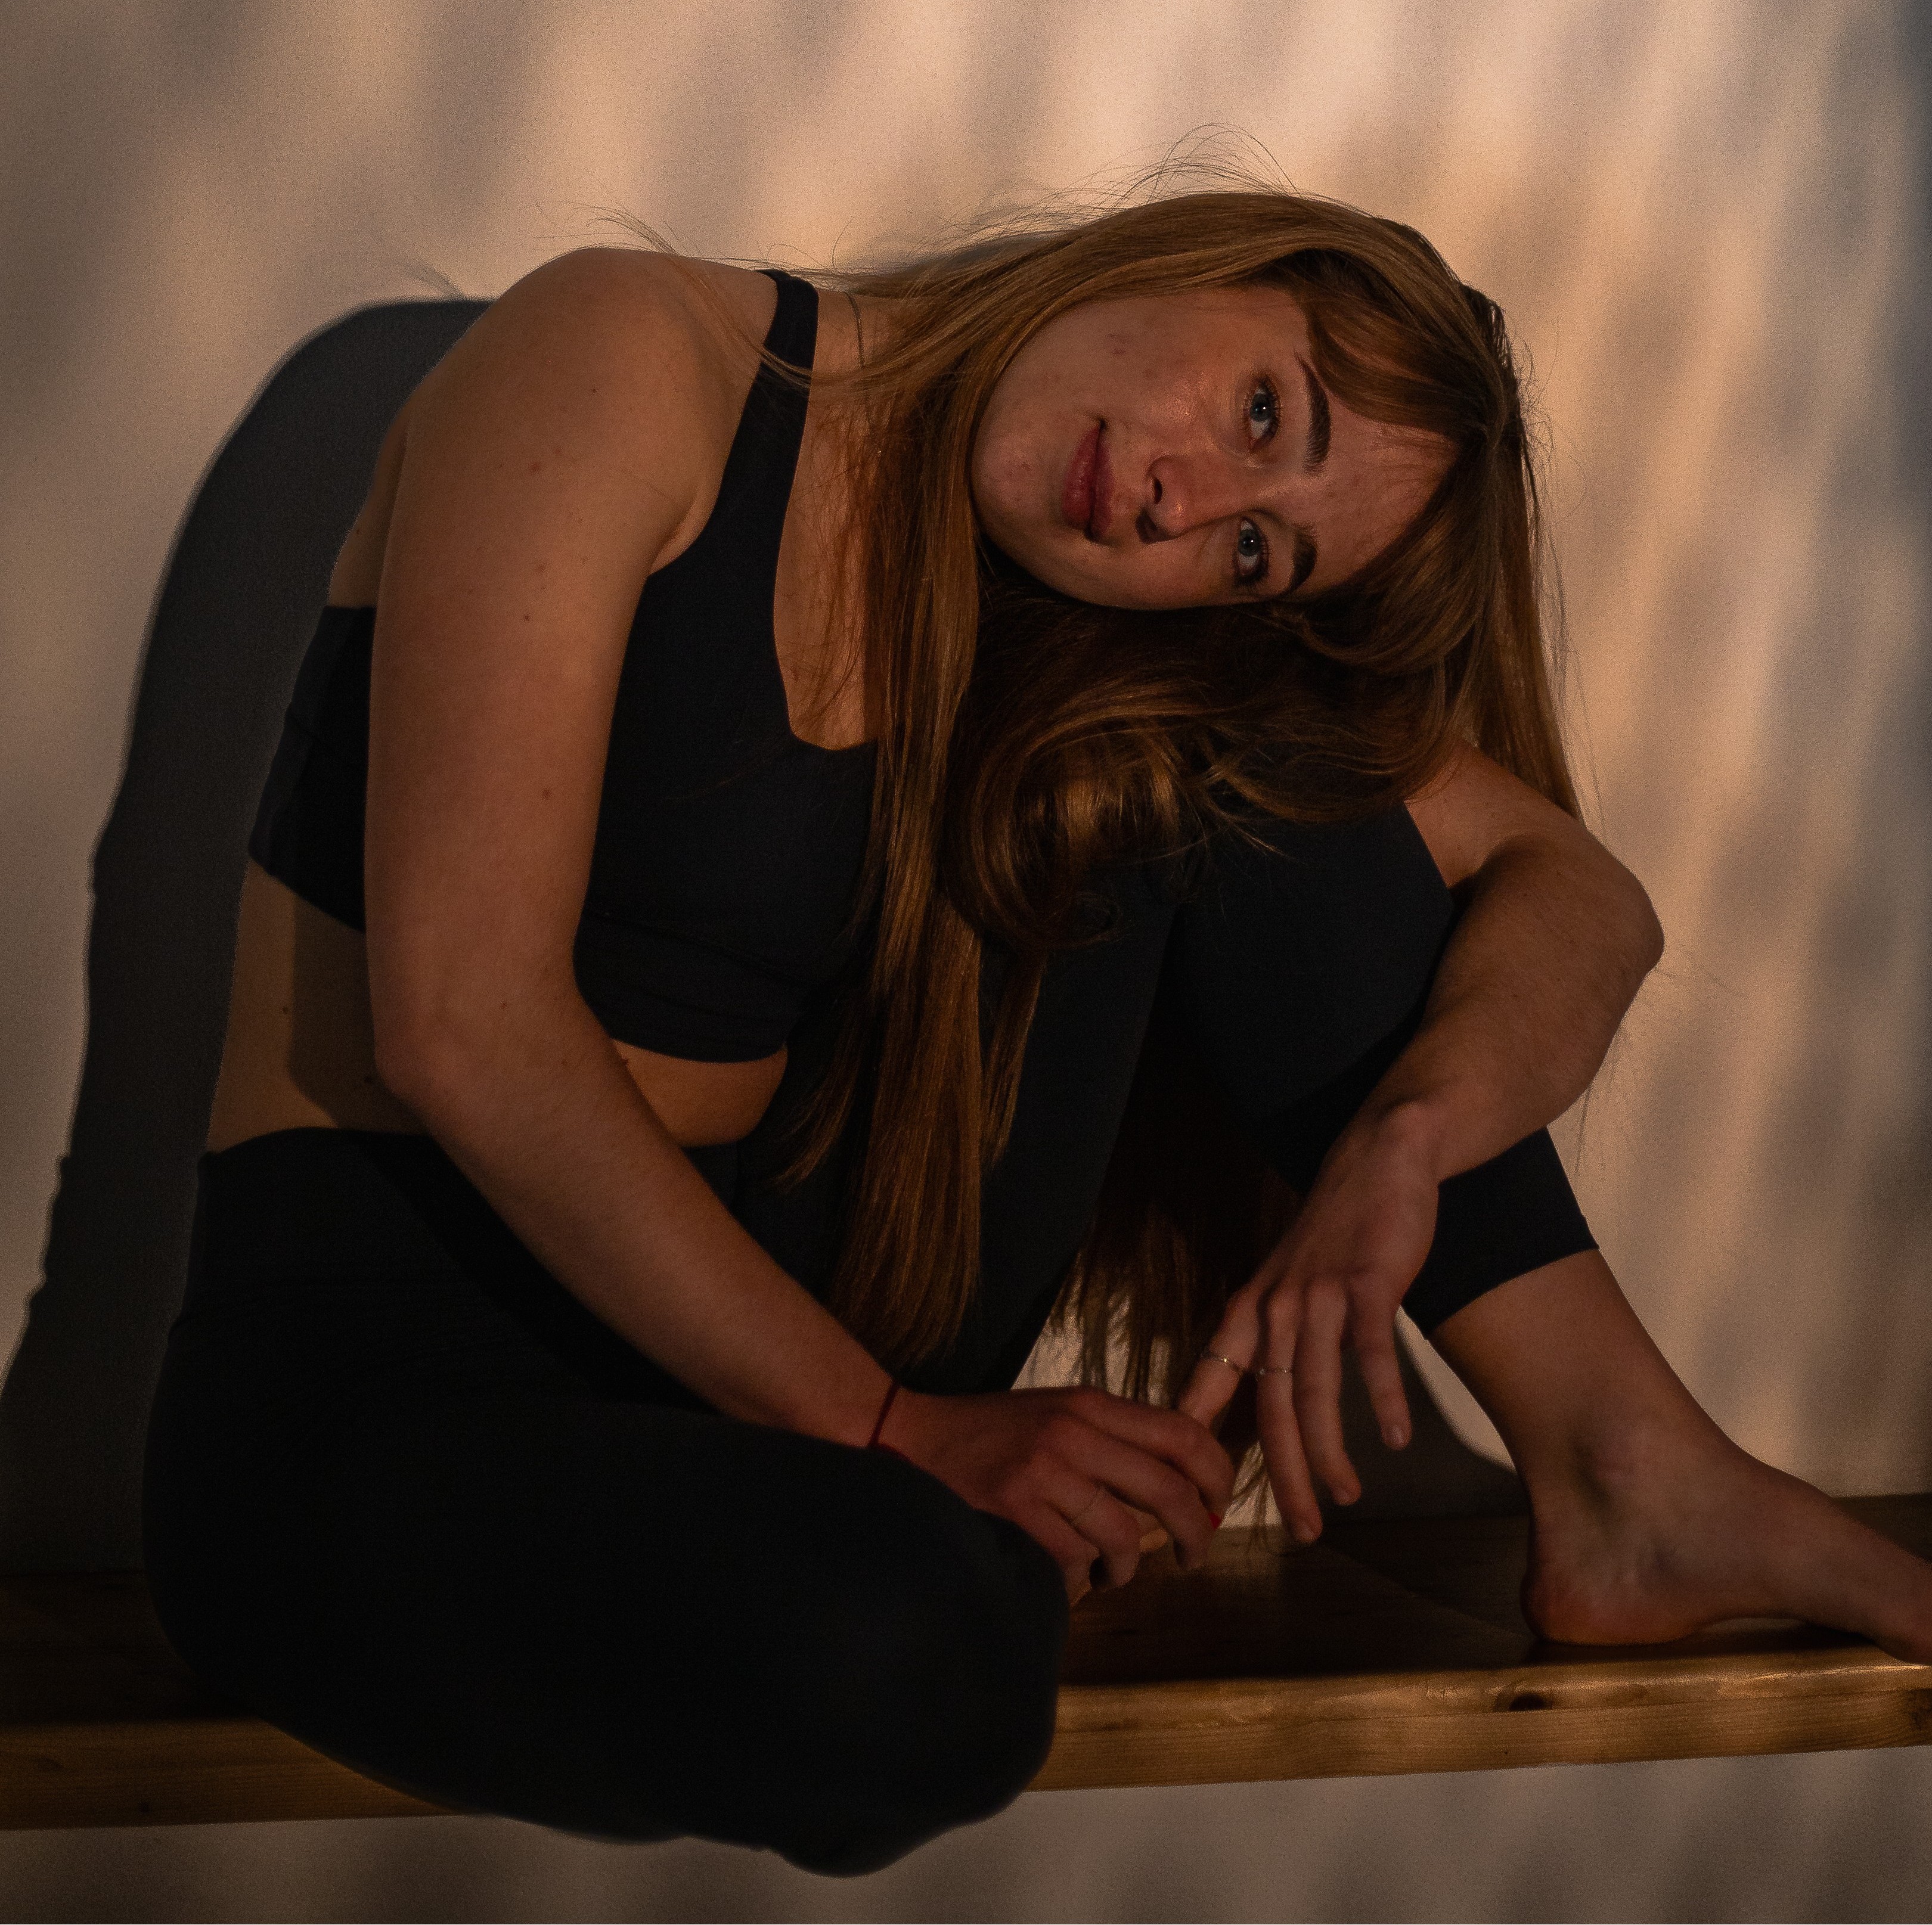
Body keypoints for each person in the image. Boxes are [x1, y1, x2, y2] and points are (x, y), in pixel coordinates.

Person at [142, 187, 1932, 1875]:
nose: (1177, 505)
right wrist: (899, 1433)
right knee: (910, 1660)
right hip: (388, 1383)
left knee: (1263, 772)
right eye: (1259, 409)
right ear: (1203, 249)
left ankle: (1624, 1467)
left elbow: (1579, 892)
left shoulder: (1088, 632)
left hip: (767, 1340)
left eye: (1254, 547)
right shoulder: (628, 361)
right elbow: (460, 1025)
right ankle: (903, 1547)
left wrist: (1406, 1143)